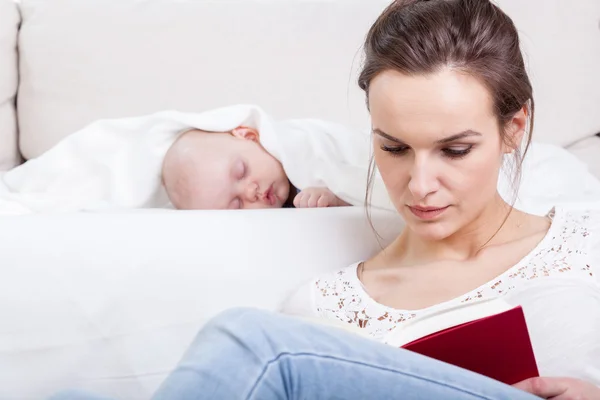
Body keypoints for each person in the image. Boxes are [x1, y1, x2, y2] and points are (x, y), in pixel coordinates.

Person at [49, 0, 600, 399]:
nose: (419, 183)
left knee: (251, 342)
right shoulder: (324, 306)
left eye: (454, 150)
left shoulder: (588, 236)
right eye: (395, 147)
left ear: (513, 127)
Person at [161, 126, 351, 210]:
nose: (250, 192)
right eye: (237, 205)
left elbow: (367, 190)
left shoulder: (304, 151)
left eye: (241, 172)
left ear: (249, 136)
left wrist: (335, 196)